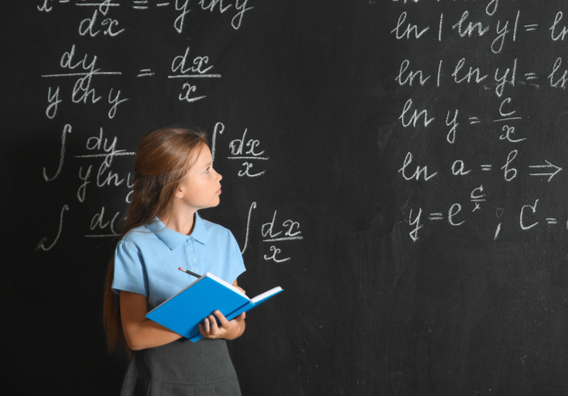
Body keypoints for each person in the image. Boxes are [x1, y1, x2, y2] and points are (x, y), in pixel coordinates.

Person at [103, 127, 247, 395]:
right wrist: (200, 313)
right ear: (177, 186)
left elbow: (238, 325)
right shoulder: (135, 245)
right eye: (206, 170)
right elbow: (135, 337)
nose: (218, 175)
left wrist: (227, 329)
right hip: (158, 384)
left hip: (220, 383)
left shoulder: (223, 238)